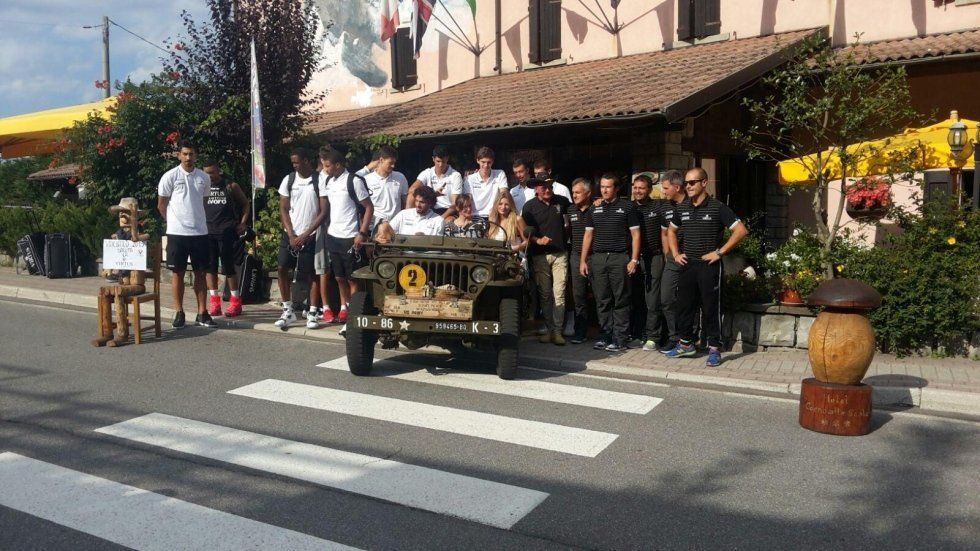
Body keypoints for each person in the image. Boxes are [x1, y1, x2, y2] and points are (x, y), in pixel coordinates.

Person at [666, 167, 748, 367]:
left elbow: (741, 231)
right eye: (686, 183)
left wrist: (719, 252)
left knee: (711, 307)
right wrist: (676, 253)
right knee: (684, 306)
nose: (688, 186)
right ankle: (686, 344)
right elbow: (671, 231)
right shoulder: (682, 208)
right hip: (688, 264)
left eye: (692, 182)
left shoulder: (717, 207)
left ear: (704, 183)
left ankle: (714, 349)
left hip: (709, 265)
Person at [579, 174, 641, 352]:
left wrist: (634, 259)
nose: (604, 190)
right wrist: (583, 260)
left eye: (608, 187)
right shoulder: (594, 208)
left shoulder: (627, 207)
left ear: (616, 188)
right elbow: (588, 235)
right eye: (602, 187)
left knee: (621, 299)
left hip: (619, 257)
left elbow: (636, 235)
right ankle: (605, 335)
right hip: (598, 259)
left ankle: (620, 338)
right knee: (602, 299)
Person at [157, 140, 215, 328]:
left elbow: (203, 202)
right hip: (177, 233)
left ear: (195, 156)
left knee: (200, 273)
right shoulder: (170, 176)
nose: (188, 157)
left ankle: (202, 312)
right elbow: (161, 204)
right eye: (185, 154)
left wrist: (196, 219)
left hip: (199, 233)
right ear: (179, 155)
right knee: (177, 274)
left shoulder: (204, 178)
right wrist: (172, 222)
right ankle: (179, 312)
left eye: (191, 154)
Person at [274, 147, 328, 330]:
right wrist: (291, 234)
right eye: (293, 162)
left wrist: (305, 235)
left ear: (306, 161)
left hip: (310, 235)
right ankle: (287, 310)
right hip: (290, 234)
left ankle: (312, 312)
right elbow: (283, 208)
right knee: (282, 267)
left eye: (297, 162)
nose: (294, 165)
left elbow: (323, 211)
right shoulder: (288, 180)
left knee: (310, 274)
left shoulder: (318, 180)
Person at [322, 148, 374, 324]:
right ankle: (343, 307)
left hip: (350, 236)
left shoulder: (353, 181)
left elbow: (368, 207)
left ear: (338, 165)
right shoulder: (329, 181)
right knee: (338, 277)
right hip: (333, 235)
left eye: (328, 166)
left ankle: (353, 310)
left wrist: (362, 233)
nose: (325, 169)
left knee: (353, 278)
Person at [522, 178, 571, 345]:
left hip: (560, 254)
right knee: (545, 294)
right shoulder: (529, 206)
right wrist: (537, 240)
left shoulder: (562, 201)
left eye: (550, 186)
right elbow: (524, 232)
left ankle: (557, 331)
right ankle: (549, 329)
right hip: (539, 255)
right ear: (537, 189)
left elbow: (577, 212)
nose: (548, 190)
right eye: (544, 187)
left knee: (559, 293)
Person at [201, 160, 251, 318]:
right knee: (210, 269)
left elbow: (245, 204)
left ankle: (235, 301)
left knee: (229, 268)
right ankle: (214, 302)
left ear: (218, 171)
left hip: (227, 231)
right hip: (207, 232)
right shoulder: (201, 188)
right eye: (206, 173)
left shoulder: (230, 186)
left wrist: (243, 223)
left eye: (212, 173)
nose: (209, 176)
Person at [628, 174, 670, 351]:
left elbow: (667, 232)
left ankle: (653, 337)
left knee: (653, 299)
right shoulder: (628, 208)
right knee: (636, 298)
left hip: (654, 257)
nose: (638, 191)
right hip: (634, 259)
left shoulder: (658, 206)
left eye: (642, 188)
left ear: (650, 190)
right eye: (635, 188)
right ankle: (639, 335)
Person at [658, 170, 688, 353]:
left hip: (692, 259)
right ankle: (674, 337)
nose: (663, 191)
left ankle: (689, 338)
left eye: (666, 188)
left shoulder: (692, 205)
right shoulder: (665, 207)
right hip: (672, 261)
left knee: (689, 301)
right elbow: (664, 233)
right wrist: (667, 254)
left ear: (677, 187)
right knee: (667, 298)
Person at [567, 178, 593, 344]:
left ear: (588, 193)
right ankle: (580, 332)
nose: (574, 195)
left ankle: (606, 332)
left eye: (577, 192)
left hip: (596, 256)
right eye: (573, 192)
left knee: (601, 294)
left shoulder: (598, 209)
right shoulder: (570, 210)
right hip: (576, 256)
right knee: (578, 295)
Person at [408, 145, 464, 215]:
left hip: (447, 211)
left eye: (443, 162)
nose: (440, 165)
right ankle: (408, 218)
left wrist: (440, 219)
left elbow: (455, 204)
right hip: (429, 210)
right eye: (438, 161)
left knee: (449, 220)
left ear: (447, 159)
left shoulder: (455, 175)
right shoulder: (427, 172)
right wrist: (433, 194)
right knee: (411, 194)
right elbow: (412, 190)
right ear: (433, 159)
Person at [376, 185, 443, 241]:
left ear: (430, 203)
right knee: (383, 226)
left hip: (427, 255)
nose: (418, 205)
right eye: (416, 201)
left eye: (422, 202)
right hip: (400, 253)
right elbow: (389, 231)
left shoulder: (438, 220)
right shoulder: (403, 214)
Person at [365, 145, 408, 229]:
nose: (393, 166)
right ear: (381, 160)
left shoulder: (400, 177)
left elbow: (406, 201)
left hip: (395, 226)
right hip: (375, 226)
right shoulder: (367, 180)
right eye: (390, 163)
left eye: (394, 163)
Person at [463, 146, 509, 219]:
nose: (486, 165)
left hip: (495, 215)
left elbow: (504, 194)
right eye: (483, 162)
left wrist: (495, 211)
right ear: (477, 160)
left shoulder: (500, 173)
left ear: (493, 161)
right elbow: (468, 200)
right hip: (474, 216)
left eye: (489, 162)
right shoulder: (469, 179)